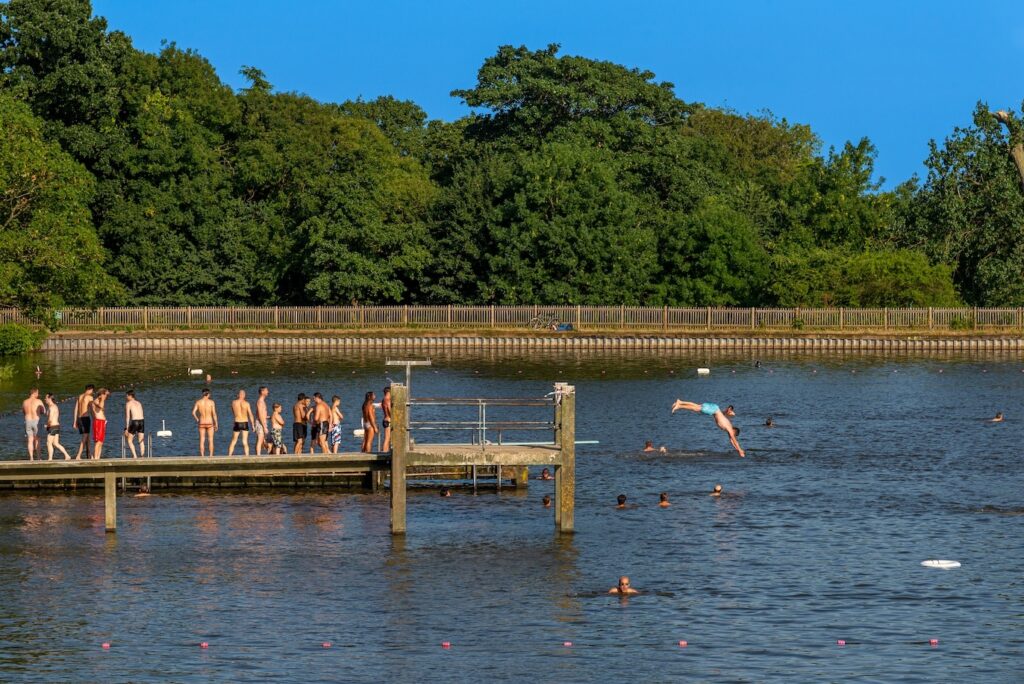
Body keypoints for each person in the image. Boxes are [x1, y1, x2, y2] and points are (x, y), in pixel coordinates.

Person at [670, 400, 745, 457]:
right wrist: (740, 451)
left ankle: (680, 402)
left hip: (714, 408)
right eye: (734, 434)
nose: (733, 435)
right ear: (734, 431)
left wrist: (738, 449)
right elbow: (734, 440)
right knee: (696, 408)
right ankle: (679, 406)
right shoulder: (730, 428)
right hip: (714, 409)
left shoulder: (728, 428)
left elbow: (732, 441)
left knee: (696, 406)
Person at [228, 389, 256, 457]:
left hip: (237, 422)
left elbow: (233, 411)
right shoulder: (246, 403)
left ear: (238, 395)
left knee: (234, 440)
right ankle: (247, 456)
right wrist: (253, 425)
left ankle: (229, 455)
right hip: (244, 423)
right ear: (244, 395)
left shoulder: (233, 402)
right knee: (245, 441)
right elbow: (250, 414)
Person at [44, 393, 70, 460]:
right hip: (56, 426)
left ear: (50, 398)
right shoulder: (54, 406)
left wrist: (47, 425)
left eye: (46, 398)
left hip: (53, 427)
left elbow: (50, 419)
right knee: (55, 443)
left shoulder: (52, 407)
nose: (45, 399)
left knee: (48, 443)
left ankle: (50, 459)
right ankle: (67, 455)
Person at [192, 388, 218, 457]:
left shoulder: (198, 402)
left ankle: (202, 456)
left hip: (202, 423)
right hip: (210, 423)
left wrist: (197, 419)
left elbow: (193, 412)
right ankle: (211, 456)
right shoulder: (211, 402)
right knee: (211, 440)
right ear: (208, 394)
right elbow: (214, 414)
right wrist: (216, 424)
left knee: (202, 440)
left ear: (202, 394)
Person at [22, 388, 44, 460]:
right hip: (36, 421)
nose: (38, 394)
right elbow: (44, 411)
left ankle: (31, 458)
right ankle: (38, 457)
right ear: (34, 393)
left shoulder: (25, 402)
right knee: (37, 440)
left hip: (28, 421)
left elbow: (24, 412)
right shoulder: (39, 401)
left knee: (30, 440)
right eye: (37, 393)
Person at [73, 384, 95, 460]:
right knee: (85, 437)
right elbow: (92, 409)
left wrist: (75, 421)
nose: (92, 392)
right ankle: (78, 455)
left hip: (79, 418)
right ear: (91, 389)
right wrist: (95, 418)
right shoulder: (90, 397)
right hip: (85, 418)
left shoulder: (80, 396)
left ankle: (90, 455)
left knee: (88, 437)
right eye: (92, 391)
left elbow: (76, 409)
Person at [124, 389, 145, 458]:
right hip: (141, 421)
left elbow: (127, 416)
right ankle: (142, 456)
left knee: (129, 440)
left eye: (127, 396)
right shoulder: (139, 403)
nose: (126, 397)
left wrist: (126, 428)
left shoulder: (128, 403)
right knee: (141, 440)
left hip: (135, 421)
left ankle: (135, 456)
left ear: (130, 396)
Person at [90, 388, 110, 459]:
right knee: (98, 441)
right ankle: (95, 458)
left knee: (101, 442)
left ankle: (97, 457)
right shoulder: (96, 401)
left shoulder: (100, 400)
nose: (105, 397)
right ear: (101, 394)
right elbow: (100, 407)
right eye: (104, 395)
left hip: (102, 422)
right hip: (98, 422)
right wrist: (102, 399)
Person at [255, 386, 269, 455]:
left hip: (263, 422)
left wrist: (268, 417)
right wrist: (264, 427)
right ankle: (258, 456)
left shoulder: (262, 401)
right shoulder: (260, 401)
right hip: (260, 423)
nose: (267, 392)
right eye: (266, 390)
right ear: (262, 392)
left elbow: (263, 414)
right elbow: (260, 415)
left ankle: (259, 454)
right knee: (260, 440)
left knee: (262, 440)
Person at [381, 386, 393, 452]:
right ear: (388, 392)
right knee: (387, 439)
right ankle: (384, 453)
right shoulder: (387, 399)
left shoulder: (383, 399)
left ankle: (385, 451)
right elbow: (389, 410)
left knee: (387, 438)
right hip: (388, 421)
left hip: (385, 419)